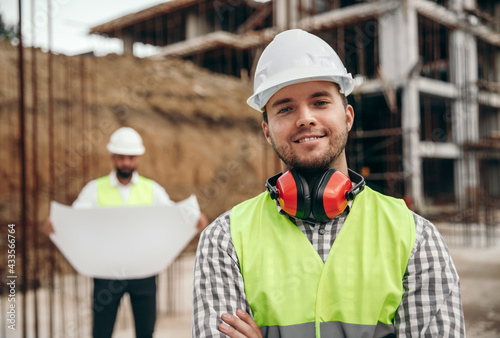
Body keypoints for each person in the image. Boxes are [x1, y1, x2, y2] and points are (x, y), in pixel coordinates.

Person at [192, 29, 465, 337]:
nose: (305, 118)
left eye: (320, 102)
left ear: (348, 116)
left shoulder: (415, 237)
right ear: (267, 131)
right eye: (285, 108)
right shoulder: (225, 239)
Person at [43, 127, 208, 338]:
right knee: (102, 331)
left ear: (138, 158)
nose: (126, 163)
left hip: (144, 272)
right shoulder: (94, 190)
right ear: (112, 157)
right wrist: (57, 224)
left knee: (145, 332)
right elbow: (76, 219)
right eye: (121, 157)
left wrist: (194, 219)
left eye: (131, 158)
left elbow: (172, 215)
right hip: (106, 273)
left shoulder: (152, 189)